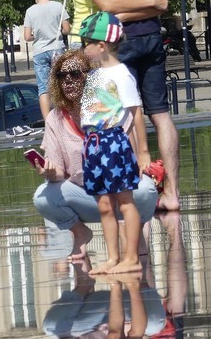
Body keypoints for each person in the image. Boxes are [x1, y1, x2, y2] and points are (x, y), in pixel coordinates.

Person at [65, 0, 179, 211]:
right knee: (161, 114)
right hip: (151, 34)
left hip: (118, 39)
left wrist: (125, 13)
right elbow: (159, 3)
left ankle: (136, 190)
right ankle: (172, 193)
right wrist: (151, 4)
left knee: (122, 114)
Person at [32, 48, 157, 261]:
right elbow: (59, 173)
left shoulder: (113, 109)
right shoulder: (55, 118)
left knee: (145, 188)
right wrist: (49, 171)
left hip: (120, 191)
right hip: (85, 194)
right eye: (62, 75)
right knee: (43, 196)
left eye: (75, 74)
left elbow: (133, 160)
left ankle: (135, 232)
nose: (68, 80)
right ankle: (80, 233)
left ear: (91, 76)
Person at [78, 12, 142, 276]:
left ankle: (132, 257)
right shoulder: (93, 75)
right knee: (104, 203)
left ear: (102, 45)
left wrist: (143, 152)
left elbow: (136, 112)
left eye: (86, 43)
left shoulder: (120, 73)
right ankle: (113, 257)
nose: (83, 48)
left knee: (125, 200)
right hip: (92, 144)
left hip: (113, 141)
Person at [23, 0, 71, 120]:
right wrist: (57, 32)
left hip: (40, 51)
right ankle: (65, 118)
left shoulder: (30, 11)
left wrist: (36, 36)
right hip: (57, 48)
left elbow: (27, 36)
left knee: (43, 88)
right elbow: (67, 29)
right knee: (62, 83)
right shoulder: (58, 6)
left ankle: (48, 121)